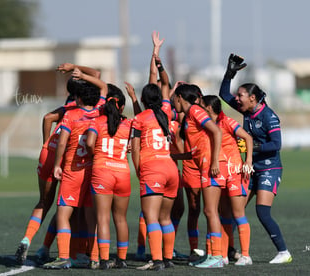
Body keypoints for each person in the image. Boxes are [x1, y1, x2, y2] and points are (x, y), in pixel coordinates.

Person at [14, 65, 99, 265]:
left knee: (45, 202)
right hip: (67, 159)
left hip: (48, 153)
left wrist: (45, 143)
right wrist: (77, 68)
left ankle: (28, 238)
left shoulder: (68, 106)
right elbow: (97, 75)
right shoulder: (84, 108)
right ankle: (63, 251)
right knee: (70, 208)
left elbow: (47, 118)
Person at [219, 53, 292, 264]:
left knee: (262, 211)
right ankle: (229, 250)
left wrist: (254, 145)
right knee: (236, 209)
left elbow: (276, 144)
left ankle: (283, 252)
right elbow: (224, 93)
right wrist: (229, 73)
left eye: (241, 95)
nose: (237, 98)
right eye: (239, 95)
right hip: (249, 168)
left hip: (269, 168)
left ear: (252, 98)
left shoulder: (268, 116)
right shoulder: (246, 110)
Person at [42, 69, 107, 269]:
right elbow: (103, 86)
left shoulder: (71, 115)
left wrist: (56, 165)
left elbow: (62, 142)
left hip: (72, 170)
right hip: (92, 171)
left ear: (77, 98)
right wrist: (85, 76)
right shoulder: (100, 111)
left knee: (63, 214)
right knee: (91, 216)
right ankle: (94, 257)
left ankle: (63, 257)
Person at [129, 54, 179, 270]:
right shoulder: (166, 112)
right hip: (171, 168)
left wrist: (140, 170)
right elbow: (165, 82)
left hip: (153, 169)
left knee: (151, 218)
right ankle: (167, 258)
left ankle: (156, 260)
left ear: (143, 100)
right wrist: (159, 65)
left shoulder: (139, 119)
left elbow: (136, 148)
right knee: (165, 218)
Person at [173, 84, 228, 268]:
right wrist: (172, 156)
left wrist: (213, 162)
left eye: (175, 99)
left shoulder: (195, 110)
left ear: (180, 97)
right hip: (205, 164)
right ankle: (214, 255)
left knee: (210, 211)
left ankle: (217, 257)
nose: (174, 103)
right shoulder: (189, 116)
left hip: (212, 165)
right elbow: (195, 150)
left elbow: (217, 131)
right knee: (209, 211)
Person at [202, 95, 254, 266]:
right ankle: (223, 255)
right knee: (224, 215)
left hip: (235, 172)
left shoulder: (227, 122)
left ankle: (246, 255)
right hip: (221, 172)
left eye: (202, 106)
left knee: (238, 214)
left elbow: (248, 138)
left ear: (209, 108)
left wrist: (248, 161)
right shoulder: (207, 125)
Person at [86, 86, 132, 270]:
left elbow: (90, 143)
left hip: (102, 172)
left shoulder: (97, 122)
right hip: (122, 172)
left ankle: (104, 259)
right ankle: (121, 259)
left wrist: (95, 155)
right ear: (121, 108)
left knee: (102, 218)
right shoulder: (128, 125)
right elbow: (132, 145)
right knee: (120, 218)